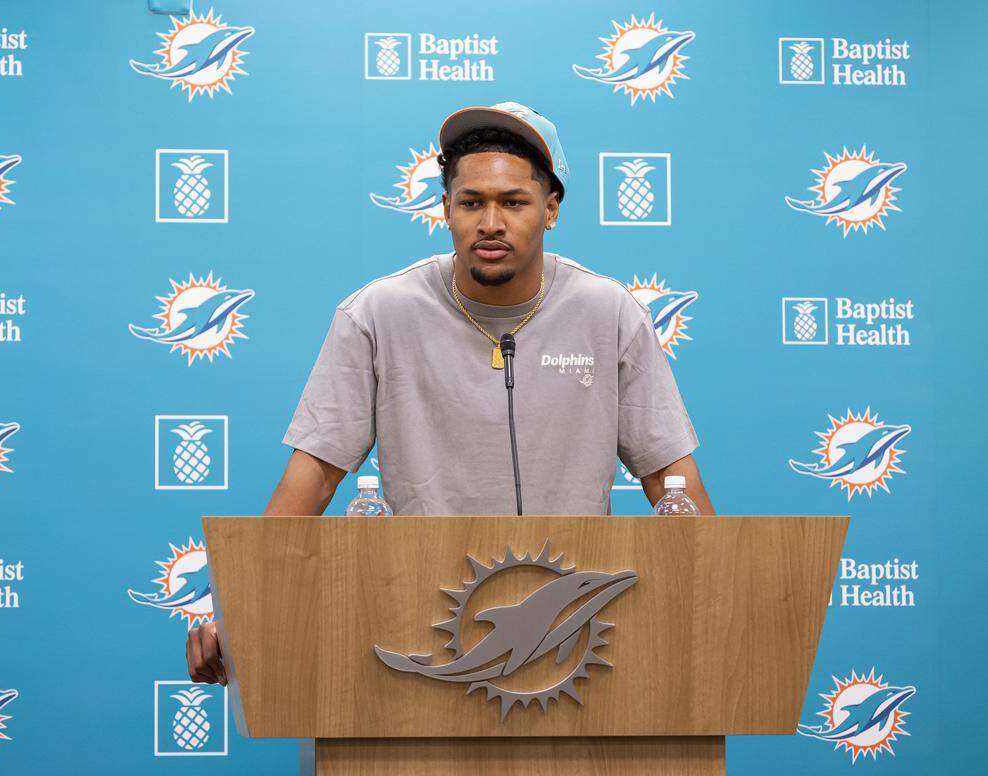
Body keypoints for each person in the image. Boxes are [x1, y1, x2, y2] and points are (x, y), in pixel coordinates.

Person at [186, 101, 714, 685]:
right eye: (471, 203)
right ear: (445, 209)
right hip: (416, 625)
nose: (491, 222)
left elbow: (675, 484)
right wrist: (231, 613)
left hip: (576, 635)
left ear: (551, 209)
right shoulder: (377, 315)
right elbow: (310, 479)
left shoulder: (610, 312)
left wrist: (723, 604)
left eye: (513, 202)